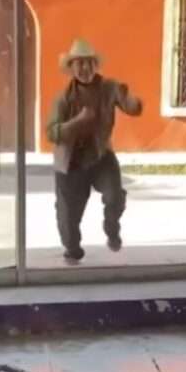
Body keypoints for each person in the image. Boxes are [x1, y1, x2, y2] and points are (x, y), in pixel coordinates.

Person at [46, 38, 143, 263]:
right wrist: (77, 123)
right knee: (68, 216)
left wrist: (129, 98)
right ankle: (72, 250)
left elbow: (132, 108)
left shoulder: (109, 88)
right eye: (79, 63)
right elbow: (51, 133)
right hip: (71, 163)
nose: (85, 68)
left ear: (95, 65)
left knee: (115, 196)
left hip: (100, 156)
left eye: (89, 63)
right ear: (71, 68)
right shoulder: (63, 100)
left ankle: (111, 228)